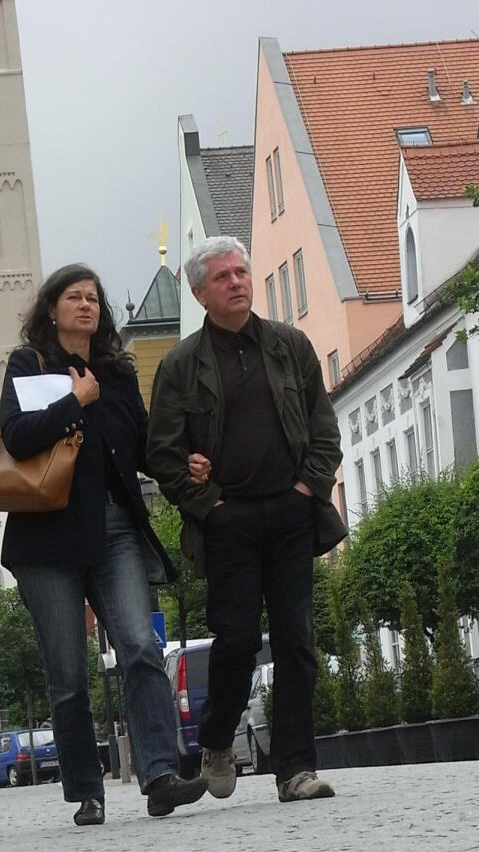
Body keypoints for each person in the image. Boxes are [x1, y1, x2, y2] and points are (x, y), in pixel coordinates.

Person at [0, 263, 207, 826]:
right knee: (68, 676)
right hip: (47, 538)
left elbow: (139, 446)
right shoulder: (29, 364)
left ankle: (160, 776)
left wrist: (181, 462)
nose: (86, 305)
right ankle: (88, 792)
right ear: (52, 309)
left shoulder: (116, 371)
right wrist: (74, 401)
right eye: (74, 296)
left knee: (140, 647)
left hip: (114, 528)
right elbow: (16, 437)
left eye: (93, 297)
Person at [147, 236, 344, 804]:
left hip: (290, 511)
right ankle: (216, 740)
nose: (236, 282)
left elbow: (324, 428)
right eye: (222, 277)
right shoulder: (181, 366)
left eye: (241, 272)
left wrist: (307, 488)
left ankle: (295, 768)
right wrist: (208, 504)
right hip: (227, 519)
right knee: (235, 641)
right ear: (199, 293)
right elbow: (163, 454)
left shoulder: (289, 346)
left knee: (296, 640)